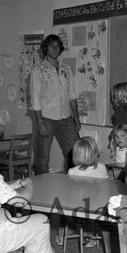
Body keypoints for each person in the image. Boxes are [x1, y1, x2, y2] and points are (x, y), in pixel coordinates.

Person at [30, 34, 81, 175]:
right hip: (46, 118)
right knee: (43, 157)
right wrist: (39, 122)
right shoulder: (37, 70)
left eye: (57, 45)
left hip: (66, 117)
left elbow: (72, 94)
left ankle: (76, 183)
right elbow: (35, 99)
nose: (55, 48)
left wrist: (76, 117)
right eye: (51, 45)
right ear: (45, 48)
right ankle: (41, 188)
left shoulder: (66, 68)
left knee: (75, 153)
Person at [66, 136, 108, 248]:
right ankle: (90, 234)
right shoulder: (102, 167)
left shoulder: (72, 172)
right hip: (100, 206)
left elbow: (71, 191)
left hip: (79, 208)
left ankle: (64, 235)